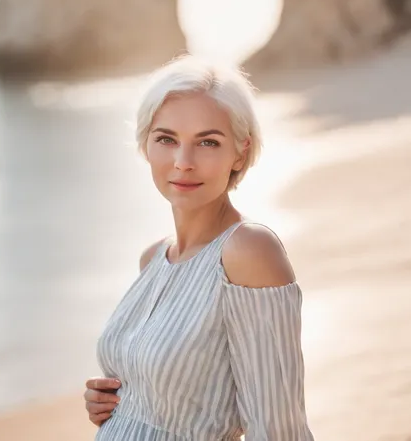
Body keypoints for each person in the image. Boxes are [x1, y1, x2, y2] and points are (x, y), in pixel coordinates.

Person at [84, 54, 314, 440]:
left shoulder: (249, 251)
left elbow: (278, 429)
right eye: (166, 139)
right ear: (145, 146)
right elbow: (168, 397)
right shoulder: (153, 258)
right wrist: (117, 405)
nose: (183, 162)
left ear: (240, 152)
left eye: (208, 142)